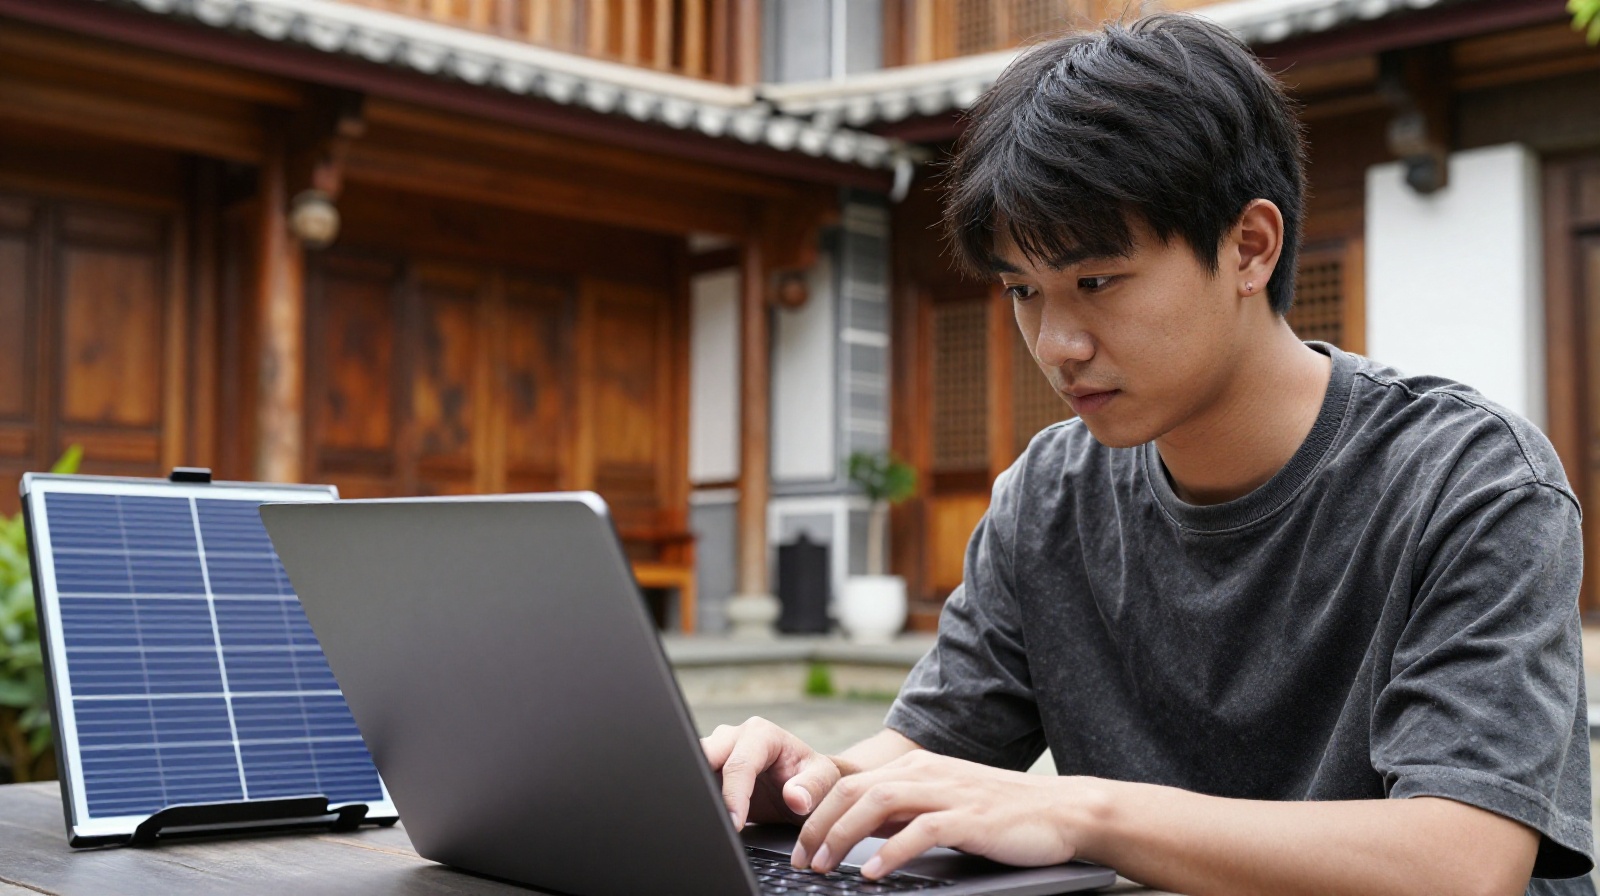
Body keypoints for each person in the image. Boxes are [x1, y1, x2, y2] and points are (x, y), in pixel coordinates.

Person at [700, 13, 1594, 896]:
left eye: (1096, 282)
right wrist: (801, 785)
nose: (1056, 344)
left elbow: (1464, 864)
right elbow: (930, 759)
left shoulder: (1470, 480)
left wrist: (1080, 813)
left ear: (1249, 247)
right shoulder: (1049, 495)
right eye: (1023, 290)